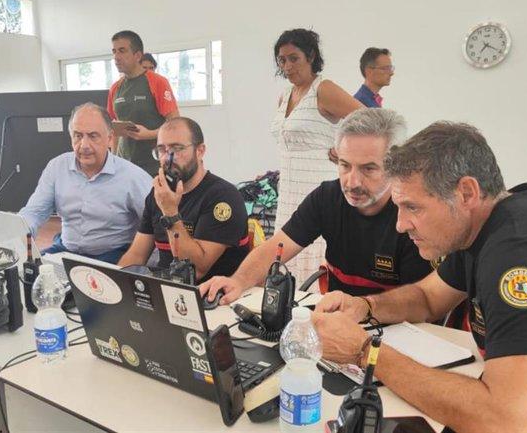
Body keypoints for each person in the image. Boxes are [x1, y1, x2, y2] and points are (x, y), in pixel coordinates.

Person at [312, 122, 527, 433]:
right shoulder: (486, 224)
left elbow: (511, 424)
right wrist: (364, 306)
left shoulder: (524, 253)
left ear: (466, 192)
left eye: (412, 207)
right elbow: (427, 298)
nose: (400, 225)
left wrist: (365, 351)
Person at [201, 109, 431, 304]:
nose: (352, 182)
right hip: (336, 319)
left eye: (368, 169)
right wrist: (238, 281)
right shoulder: (327, 197)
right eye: (344, 165)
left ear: (396, 166)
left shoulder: (413, 215)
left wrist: (363, 308)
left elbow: (420, 300)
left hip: (399, 328)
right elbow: (276, 247)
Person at [270, 28, 365, 283]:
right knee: (285, 256)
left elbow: (372, 121)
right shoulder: (284, 96)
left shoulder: (323, 89)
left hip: (317, 186)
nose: (287, 66)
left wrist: (345, 151)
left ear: (310, 56)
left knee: (316, 255)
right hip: (289, 191)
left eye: (294, 58)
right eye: (282, 60)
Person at [118, 117, 249, 282]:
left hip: (214, 298)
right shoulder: (158, 194)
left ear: (200, 151)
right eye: (161, 150)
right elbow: (137, 255)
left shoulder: (223, 197)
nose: (167, 158)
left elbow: (195, 270)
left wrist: (170, 212)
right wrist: (113, 286)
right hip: (167, 292)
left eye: (177, 148)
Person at [18, 103, 150, 264]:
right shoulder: (57, 167)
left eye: (93, 136)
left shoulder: (134, 177)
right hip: (65, 250)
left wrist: (134, 260)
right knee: (29, 274)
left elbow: (153, 225)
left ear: (109, 138)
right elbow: (35, 212)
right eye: (78, 136)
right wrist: (20, 231)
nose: (84, 145)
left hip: (112, 255)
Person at [107, 30, 179, 176]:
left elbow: (175, 125)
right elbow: (113, 129)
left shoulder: (157, 82)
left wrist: (149, 134)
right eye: (114, 52)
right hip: (124, 166)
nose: (116, 57)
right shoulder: (115, 88)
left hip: (154, 166)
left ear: (138, 55)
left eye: (122, 51)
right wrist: (113, 160)